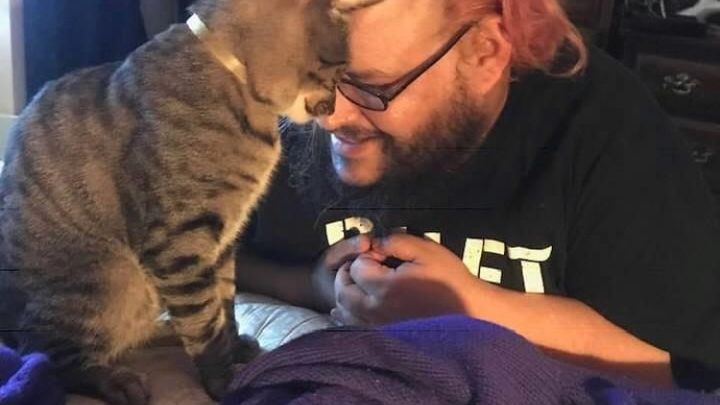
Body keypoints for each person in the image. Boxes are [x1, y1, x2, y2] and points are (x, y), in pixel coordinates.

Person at [234, 0, 720, 392]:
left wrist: (468, 311)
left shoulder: (604, 127)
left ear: (485, 53)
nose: (327, 118)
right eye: (304, 76)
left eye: (370, 85)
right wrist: (311, 285)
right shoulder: (276, 113)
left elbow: (683, 371)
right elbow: (217, 261)